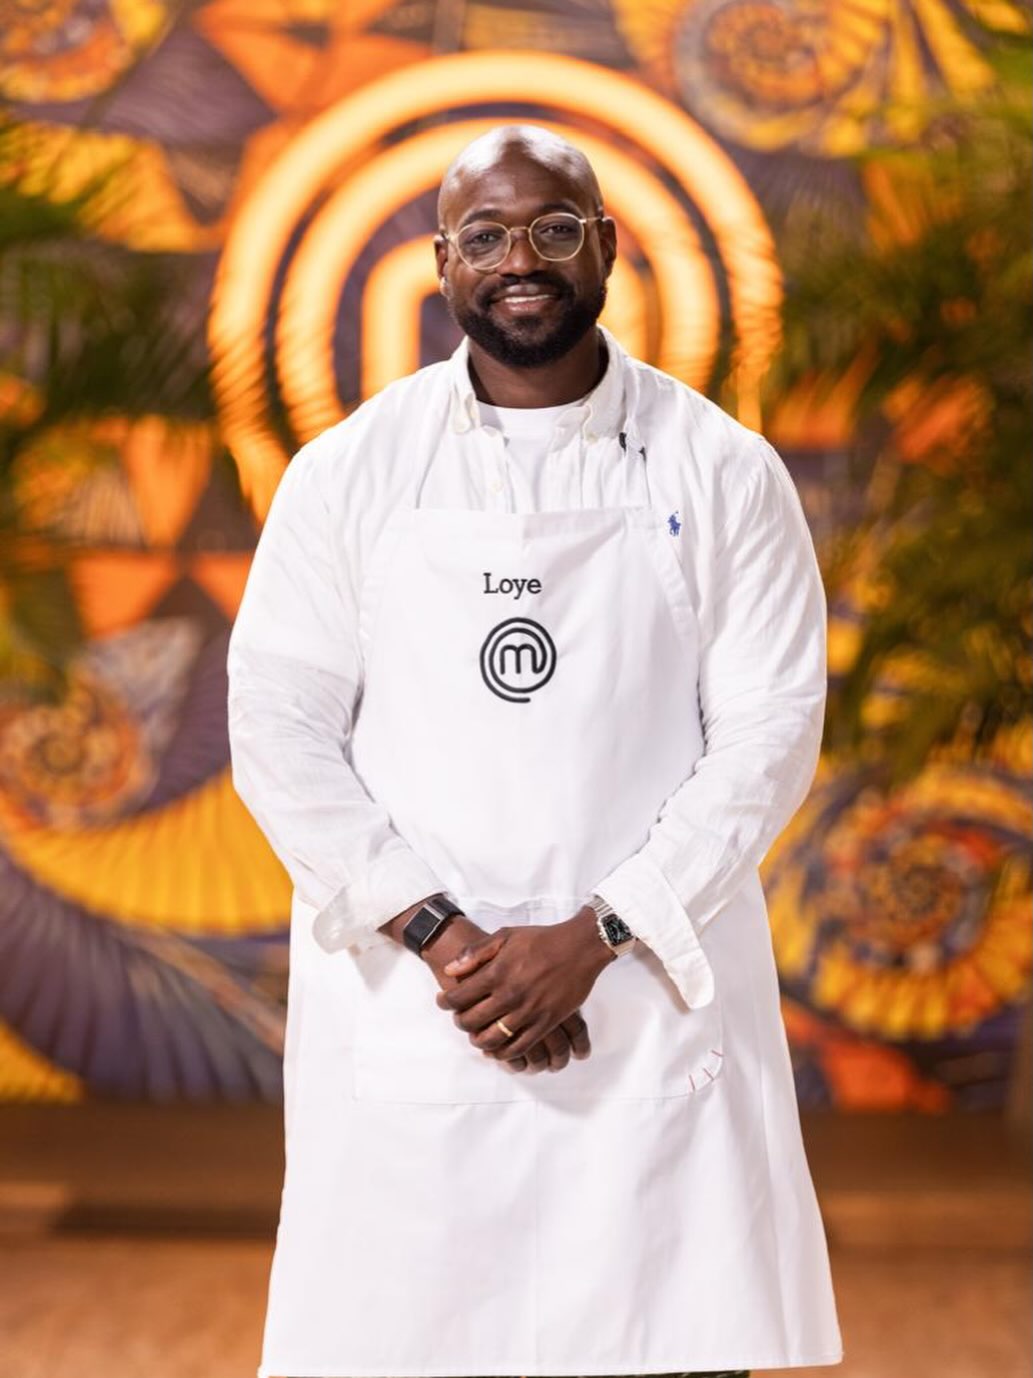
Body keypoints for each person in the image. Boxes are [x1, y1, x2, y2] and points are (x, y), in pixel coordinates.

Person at [227, 124, 844, 1378]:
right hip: (422, 1020)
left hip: (648, 1022)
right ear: (442, 263)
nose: (522, 260)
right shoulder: (347, 475)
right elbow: (279, 732)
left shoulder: (724, 471)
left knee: (664, 1345)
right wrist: (445, 936)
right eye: (488, 236)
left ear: (606, 245)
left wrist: (598, 932)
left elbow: (769, 736)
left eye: (554, 229)